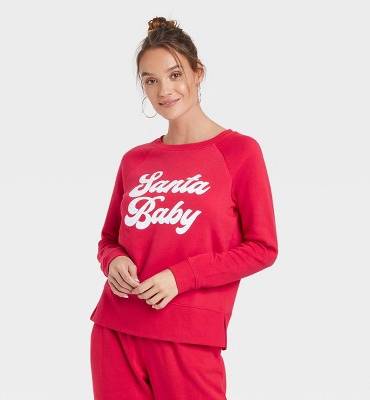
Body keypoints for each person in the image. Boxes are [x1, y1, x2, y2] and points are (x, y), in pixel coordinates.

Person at [90, 16, 278, 400]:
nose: (164, 90)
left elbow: (263, 248)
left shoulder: (239, 152)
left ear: (198, 72)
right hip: (115, 328)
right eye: (150, 80)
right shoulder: (134, 160)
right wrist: (114, 261)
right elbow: (109, 238)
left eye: (174, 75)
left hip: (188, 337)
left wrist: (182, 276)